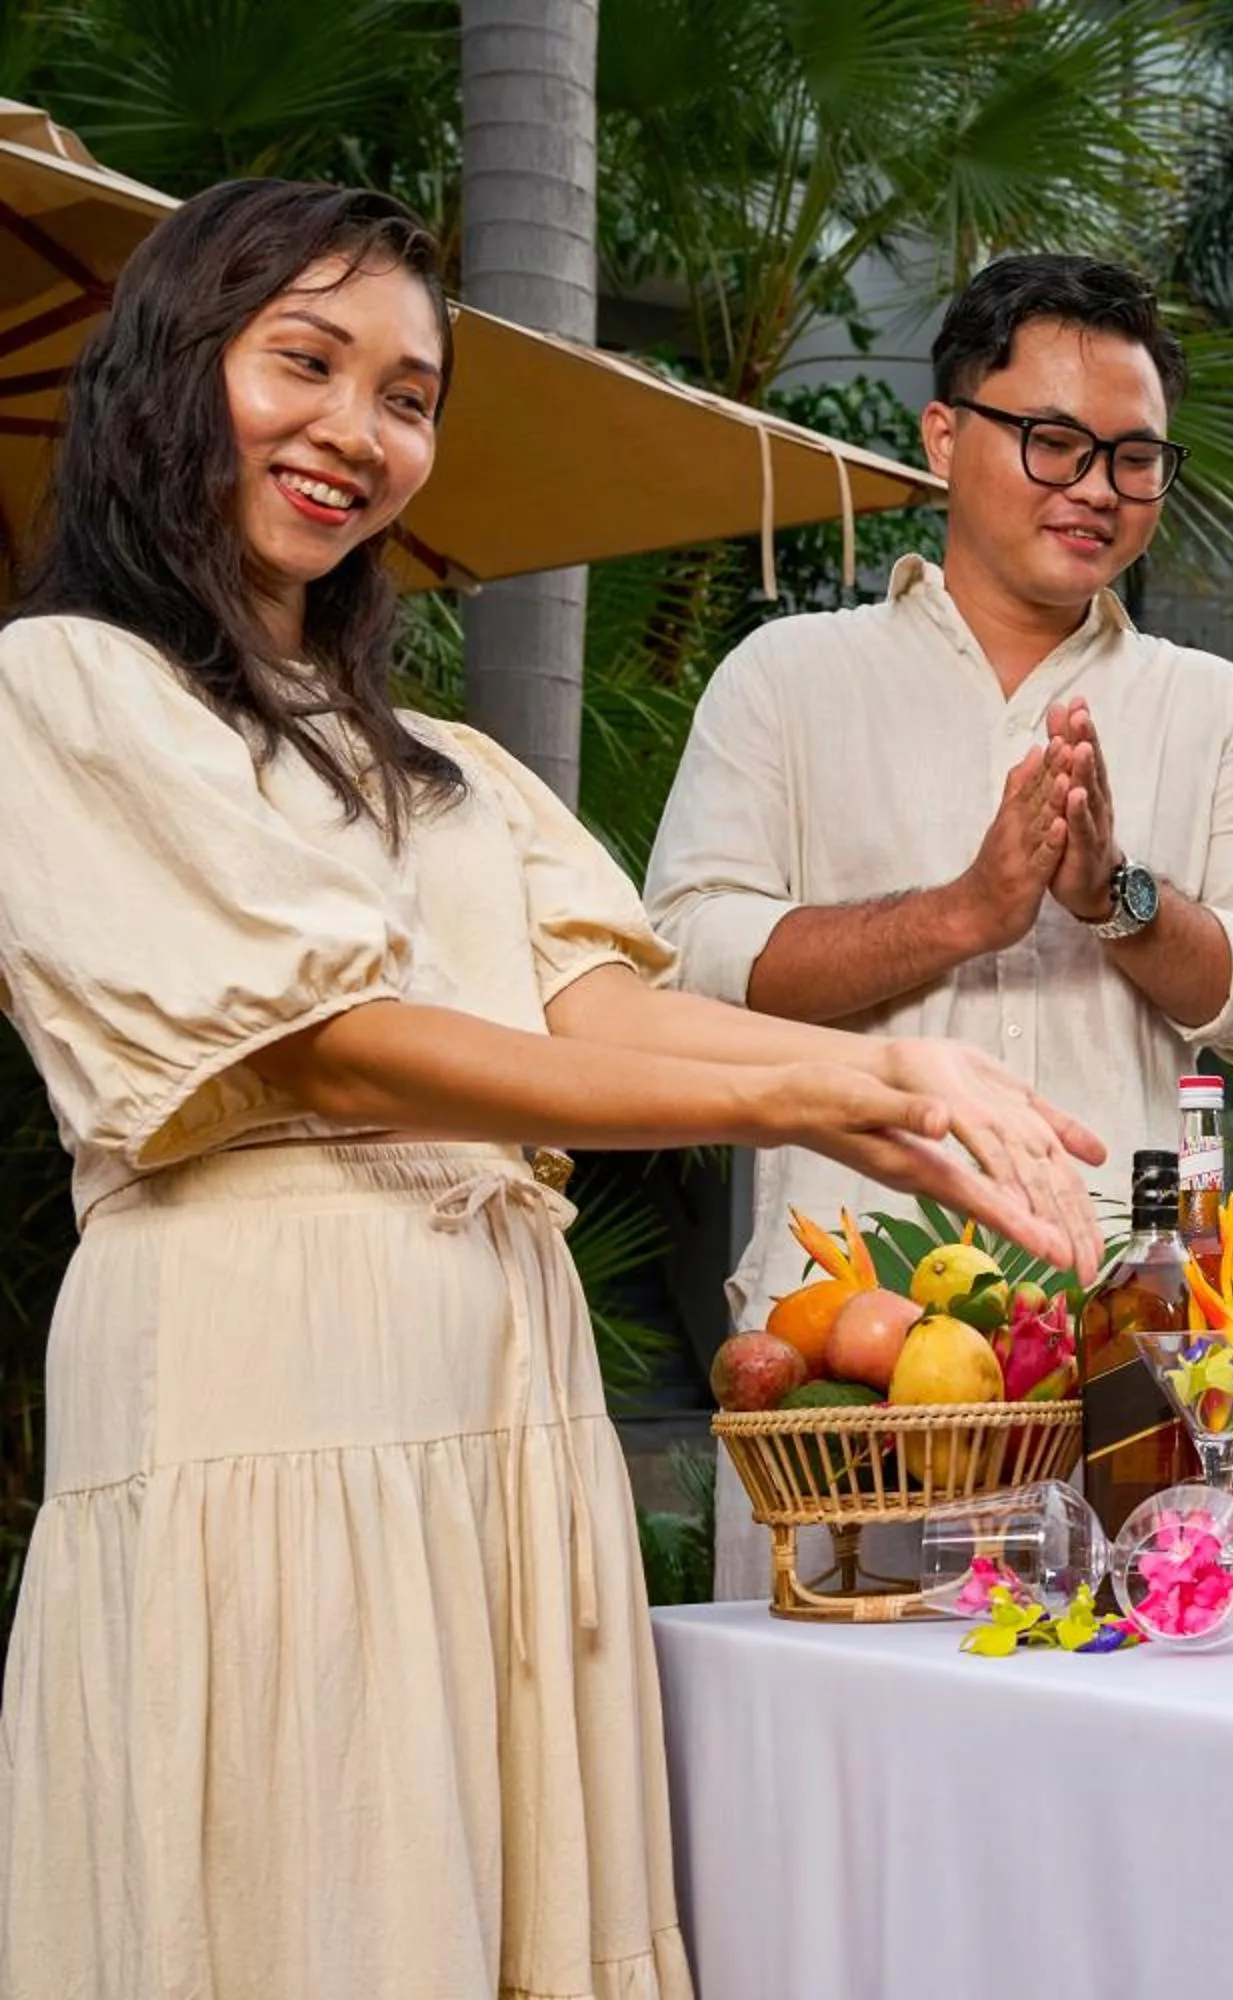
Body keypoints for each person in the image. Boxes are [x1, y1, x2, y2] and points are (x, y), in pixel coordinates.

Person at [0, 181, 1103, 2000]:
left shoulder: (442, 767)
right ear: (172, 373)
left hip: (502, 1424)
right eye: (308, 363)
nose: (358, 431)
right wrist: (800, 1103)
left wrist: (883, 1071)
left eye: (410, 396)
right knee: (311, 1897)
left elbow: (592, 1015)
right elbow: (323, 1040)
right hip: (268, 1404)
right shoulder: (67, 688)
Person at [647, 253, 1233, 1327]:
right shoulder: (787, 679)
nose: (1098, 487)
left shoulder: (1214, 706)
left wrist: (1118, 897)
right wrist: (960, 913)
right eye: (1055, 443)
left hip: (1133, 1327)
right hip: (841, 1332)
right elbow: (682, 968)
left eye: (1136, 456)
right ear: (943, 436)